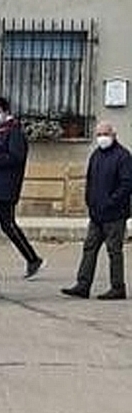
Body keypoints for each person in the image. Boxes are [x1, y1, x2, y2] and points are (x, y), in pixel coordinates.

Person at [62, 122, 132, 300]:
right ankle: (83, 285)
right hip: (96, 214)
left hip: (115, 214)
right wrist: (89, 201)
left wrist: (111, 202)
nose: (101, 137)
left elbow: (126, 184)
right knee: (89, 248)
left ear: (113, 135)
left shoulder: (123, 156)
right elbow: (90, 180)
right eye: (99, 134)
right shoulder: (96, 155)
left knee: (114, 250)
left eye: (105, 134)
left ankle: (118, 288)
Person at [0, 97, 45, 279]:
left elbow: (16, 158)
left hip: (5, 188)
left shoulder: (14, 133)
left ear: (6, 113)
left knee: (8, 225)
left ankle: (32, 258)